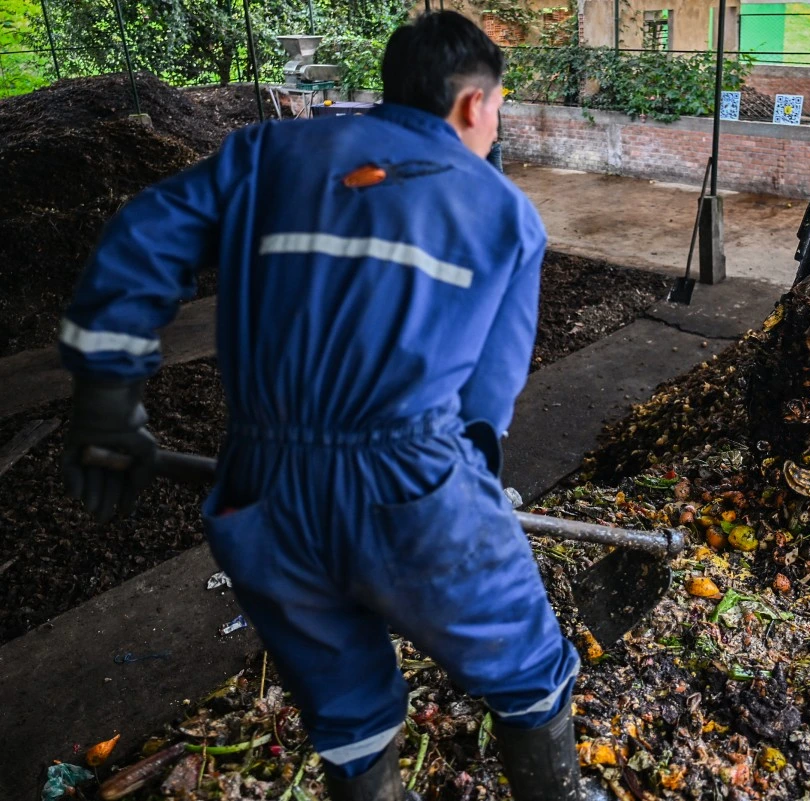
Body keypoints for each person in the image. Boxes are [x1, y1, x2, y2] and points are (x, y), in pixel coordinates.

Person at [56, 12, 593, 801]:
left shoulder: (264, 156)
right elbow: (484, 401)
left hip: (261, 489)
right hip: (415, 486)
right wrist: (457, 508)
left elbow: (144, 235)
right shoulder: (504, 211)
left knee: (347, 708)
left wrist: (107, 398)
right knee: (529, 666)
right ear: (477, 105)